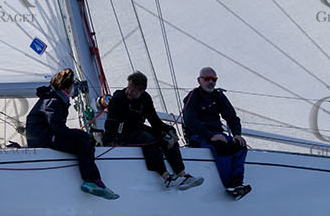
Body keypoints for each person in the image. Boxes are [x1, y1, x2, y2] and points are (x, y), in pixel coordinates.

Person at [26, 68, 118, 199]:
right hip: (42, 138)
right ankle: (92, 181)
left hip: (44, 136)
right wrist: (81, 134)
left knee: (82, 140)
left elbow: (57, 128)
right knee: (82, 142)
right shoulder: (53, 101)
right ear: (68, 86)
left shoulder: (55, 98)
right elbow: (58, 128)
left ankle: (94, 180)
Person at [104, 71, 203, 190]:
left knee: (168, 137)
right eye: (129, 87)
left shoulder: (145, 99)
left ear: (142, 91)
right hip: (120, 133)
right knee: (148, 138)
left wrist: (169, 130)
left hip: (137, 130)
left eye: (134, 90)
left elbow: (154, 120)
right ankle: (166, 177)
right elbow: (130, 123)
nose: (129, 91)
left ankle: (182, 174)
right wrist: (160, 133)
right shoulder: (119, 97)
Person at [182, 66, 250, 199]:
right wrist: (211, 136)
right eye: (206, 78)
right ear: (199, 80)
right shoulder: (193, 97)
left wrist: (237, 134)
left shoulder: (218, 96)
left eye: (214, 79)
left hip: (217, 135)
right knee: (221, 147)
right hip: (200, 136)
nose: (210, 82)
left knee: (240, 146)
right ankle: (229, 185)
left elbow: (231, 117)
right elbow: (191, 121)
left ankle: (237, 183)